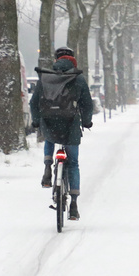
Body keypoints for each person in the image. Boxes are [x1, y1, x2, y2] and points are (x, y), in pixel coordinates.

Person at [30, 46, 94, 221]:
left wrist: (36, 121)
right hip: (71, 125)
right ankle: (73, 204)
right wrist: (87, 121)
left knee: (50, 135)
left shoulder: (47, 77)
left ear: (56, 60)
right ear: (72, 59)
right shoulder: (78, 78)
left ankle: (47, 168)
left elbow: (34, 102)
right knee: (73, 163)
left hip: (50, 123)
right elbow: (87, 104)